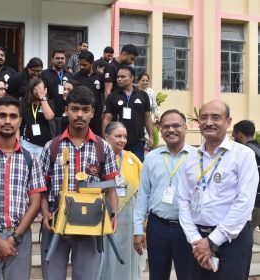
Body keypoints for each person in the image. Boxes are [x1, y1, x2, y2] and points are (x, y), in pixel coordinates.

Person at [40, 86, 119, 280]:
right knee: (52, 276)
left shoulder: (103, 148)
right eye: (75, 109)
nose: (80, 115)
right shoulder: (52, 147)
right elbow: (43, 189)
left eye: (85, 110)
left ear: (93, 112)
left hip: (90, 223)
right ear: (66, 110)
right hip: (56, 220)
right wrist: (45, 214)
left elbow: (110, 188)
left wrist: (113, 215)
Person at [178, 100, 259, 280]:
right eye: (204, 117)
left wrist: (213, 241)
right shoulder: (191, 158)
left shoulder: (244, 155)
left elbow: (244, 203)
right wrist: (195, 240)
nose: (209, 122)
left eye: (216, 117)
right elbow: (183, 200)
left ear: (228, 122)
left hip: (232, 241)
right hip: (197, 241)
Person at [0, 95, 47, 280]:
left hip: (20, 236)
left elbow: (35, 202)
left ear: (20, 121)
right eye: (2, 115)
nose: (7, 121)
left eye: (13, 116)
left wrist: (13, 239)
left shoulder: (30, 159)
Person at [134, 109, 195, 280]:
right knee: (157, 276)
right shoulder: (151, 158)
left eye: (176, 125)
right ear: (160, 130)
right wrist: (138, 229)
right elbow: (143, 195)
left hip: (188, 228)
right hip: (157, 227)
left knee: (188, 275)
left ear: (186, 127)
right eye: (166, 126)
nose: (171, 130)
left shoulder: (197, 157)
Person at [99, 121, 144, 280]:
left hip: (128, 217)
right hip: (105, 213)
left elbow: (144, 187)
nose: (122, 140)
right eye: (118, 136)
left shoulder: (132, 158)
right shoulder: (99, 158)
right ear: (106, 137)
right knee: (104, 255)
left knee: (126, 255)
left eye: (125, 136)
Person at [102, 66, 153, 162]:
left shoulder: (143, 95)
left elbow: (147, 117)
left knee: (137, 171)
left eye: (123, 77)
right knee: (117, 171)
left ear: (132, 78)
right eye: (117, 77)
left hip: (137, 142)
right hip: (117, 142)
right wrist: (105, 138)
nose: (119, 79)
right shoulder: (112, 96)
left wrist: (151, 136)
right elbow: (106, 119)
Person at [232, 120, 260, 231]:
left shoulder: (244, 153)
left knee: (242, 236)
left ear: (239, 134)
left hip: (253, 205)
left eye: (233, 136)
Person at [20, 78, 55, 158]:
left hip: (44, 143)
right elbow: (19, 123)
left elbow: (49, 117)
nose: (39, 91)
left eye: (41, 88)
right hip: (27, 143)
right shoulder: (24, 103)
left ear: (45, 89)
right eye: (37, 88)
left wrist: (42, 97)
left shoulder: (49, 103)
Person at [74, 50, 104, 136]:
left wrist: (103, 112)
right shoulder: (76, 76)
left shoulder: (100, 76)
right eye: (80, 65)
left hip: (97, 116)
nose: (82, 67)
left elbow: (104, 94)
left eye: (84, 65)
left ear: (92, 63)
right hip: (81, 116)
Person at [42, 49, 72, 121]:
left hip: (66, 114)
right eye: (57, 58)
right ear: (52, 59)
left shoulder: (69, 75)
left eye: (62, 58)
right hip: (50, 113)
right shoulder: (44, 74)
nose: (60, 60)